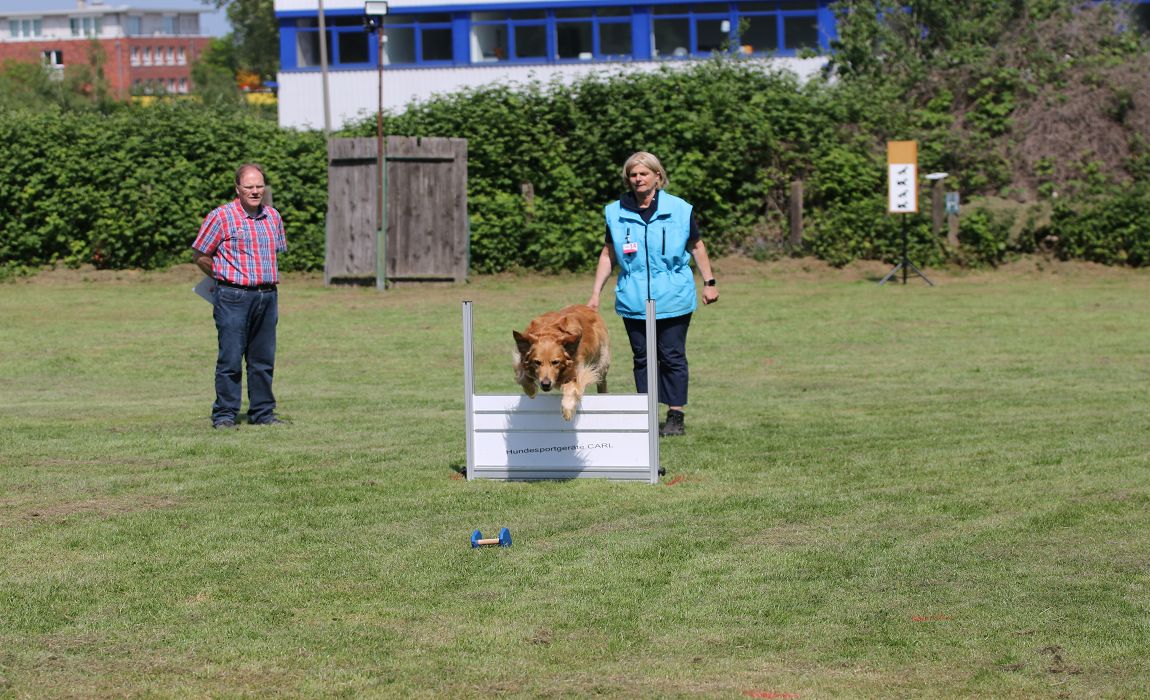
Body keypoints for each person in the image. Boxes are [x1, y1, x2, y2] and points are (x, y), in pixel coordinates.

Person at [588, 151, 719, 437]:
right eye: (633, 175)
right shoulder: (615, 211)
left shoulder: (680, 209)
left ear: (657, 177)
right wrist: (595, 293)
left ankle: (675, 415)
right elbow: (608, 253)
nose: (638, 179)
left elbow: (696, 246)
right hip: (633, 296)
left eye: (643, 174)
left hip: (673, 295)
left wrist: (709, 281)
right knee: (642, 357)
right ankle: (646, 414)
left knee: (671, 355)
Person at [192, 163, 288, 429]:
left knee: (263, 360)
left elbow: (275, 252)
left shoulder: (273, 217)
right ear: (238, 189)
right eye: (249, 187)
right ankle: (224, 414)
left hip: (267, 296)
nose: (255, 191)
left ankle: (263, 414)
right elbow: (200, 255)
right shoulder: (221, 217)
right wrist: (224, 275)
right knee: (231, 359)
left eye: (259, 186)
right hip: (233, 296)